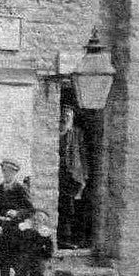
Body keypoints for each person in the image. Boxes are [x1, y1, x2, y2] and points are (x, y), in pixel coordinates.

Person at [0, 158, 35, 276]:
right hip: (3, 232)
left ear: (15, 172)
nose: (6, 174)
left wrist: (17, 213)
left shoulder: (20, 188)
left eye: (9, 171)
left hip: (18, 233)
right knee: (3, 262)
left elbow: (30, 210)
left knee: (18, 265)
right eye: (4, 171)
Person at [11, 208, 54, 276]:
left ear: (44, 221)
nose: (37, 220)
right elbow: (16, 241)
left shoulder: (45, 232)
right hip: (24, 255)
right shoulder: (24, 228)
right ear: (31, 218)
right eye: (35, 218)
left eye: (41, 219)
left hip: (38, 256)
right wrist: (17, 252)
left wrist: (45, 256)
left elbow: (49, 247)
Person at [58, 106, 89, 249]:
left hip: (74, 175)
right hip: (60, 174)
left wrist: (85, 174)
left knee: (72, 208)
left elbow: (82, 153)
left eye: (69, 115)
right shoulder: (57, 131)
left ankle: (72, 238)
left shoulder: (77, 133)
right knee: (64, 207)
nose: (66, 118)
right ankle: (63, 239)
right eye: (64, 115)